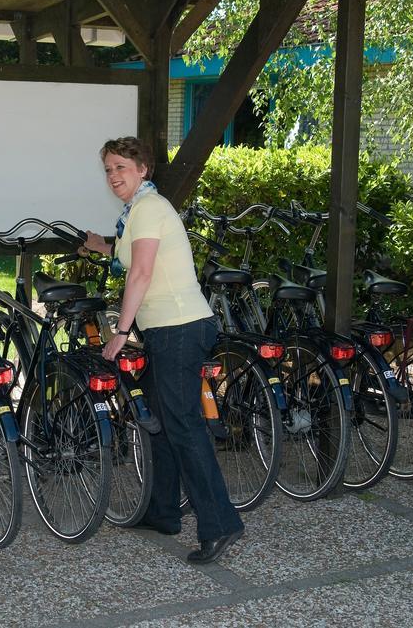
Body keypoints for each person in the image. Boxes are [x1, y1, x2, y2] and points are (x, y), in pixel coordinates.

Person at [84, 136, 244, 565]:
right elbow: (127, 256)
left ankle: (221, 524)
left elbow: (141, 272)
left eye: (121, 167)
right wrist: (102, 245)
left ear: (142, 169)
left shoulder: (150, 209)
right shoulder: (138, 211)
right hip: (168, 331)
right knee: (158, 420)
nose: (114, 176)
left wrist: (119, 331)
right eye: (108, 169)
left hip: (178, 329)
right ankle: (162, 513)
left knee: (184, 426)